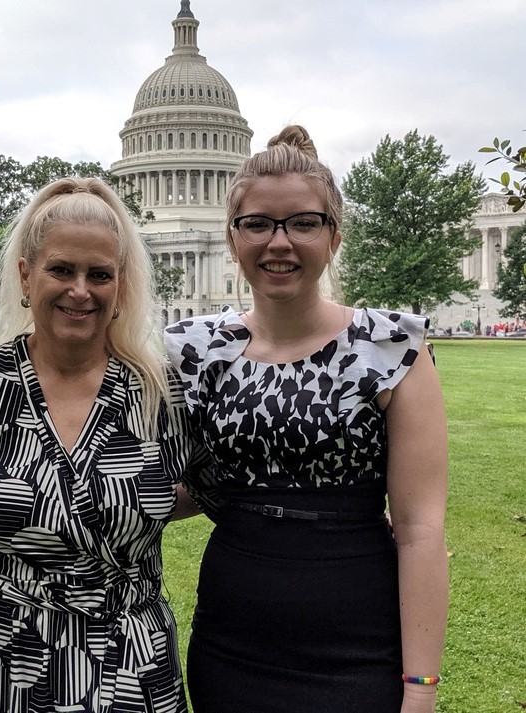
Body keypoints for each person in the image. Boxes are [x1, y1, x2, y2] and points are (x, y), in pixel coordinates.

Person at [164, 125, 449, 713]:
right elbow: (178, 485)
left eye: (302, 223)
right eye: (259, 224)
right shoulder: (193, 350)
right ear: (233, 236)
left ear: (333, 236)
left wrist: (420, 690)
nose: (279, 243)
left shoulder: (392, 347)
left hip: (357, 642)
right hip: (231, 639)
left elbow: (420, 529)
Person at [0, 177, 201, 712]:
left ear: (121, 286)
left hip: (128, 668)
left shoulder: (160, 394)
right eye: (61, 270)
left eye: (99, 275)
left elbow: (227, 490)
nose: (80, 290)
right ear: (26, 275)